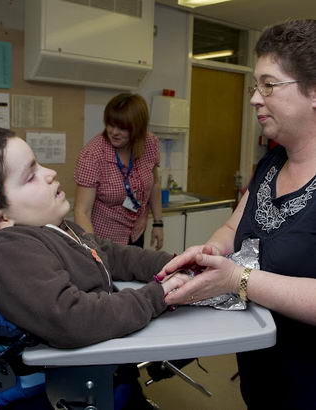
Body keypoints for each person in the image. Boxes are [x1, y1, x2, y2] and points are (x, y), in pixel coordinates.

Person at [157, 19, 316, 410]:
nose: (255, 99)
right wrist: (210, 251)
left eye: (269, 85)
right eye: (254, 86)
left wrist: (236, 278)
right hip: (262, 374)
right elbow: (234, 226)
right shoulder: (271, 164)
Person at [0, 127, 190, 410]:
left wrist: (175, 263)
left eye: (39, 164)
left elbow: (111, 255)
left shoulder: (58, 229)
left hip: (103, 376)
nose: (49, 173)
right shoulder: (9, 250)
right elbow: (72, 317)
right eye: (30, 176)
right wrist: (157, 295)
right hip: (56, 396)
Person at [74, 93, 164, 250]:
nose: (114, 132)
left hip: (136, 233)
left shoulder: (149, 143)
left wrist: (158, 222)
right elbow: (82, 212)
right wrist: (93, 251)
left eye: (122, 128)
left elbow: (154, 184)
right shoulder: (93, 155)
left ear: (137, 128)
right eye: (110, 124)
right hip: (105, 240)